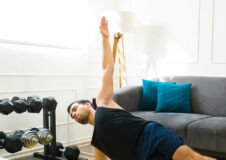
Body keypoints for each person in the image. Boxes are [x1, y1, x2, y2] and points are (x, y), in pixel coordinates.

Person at [67, 16, 216, 160]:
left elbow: (107, 69)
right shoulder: (97, 144)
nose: (74, 114)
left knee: (191, 158)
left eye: (74, 109)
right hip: (141, 157)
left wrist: (105, 40)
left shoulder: (102, 103)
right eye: (71, 115)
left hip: (151, 135)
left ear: (87, 104)